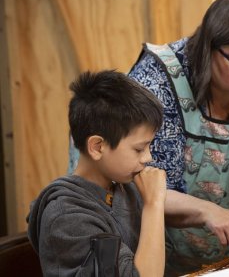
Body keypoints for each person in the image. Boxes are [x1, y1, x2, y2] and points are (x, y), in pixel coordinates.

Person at [71, 0, 229, 275]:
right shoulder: (159, 79)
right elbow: (145, 180)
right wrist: (208, 211)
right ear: (209, 49)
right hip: (154, 255)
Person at [28, 70, 167, 276]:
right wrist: (153, 204)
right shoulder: (66, 216)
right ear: (97, 147)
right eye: (139, 149)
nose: (148, 158)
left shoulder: (121, 185)